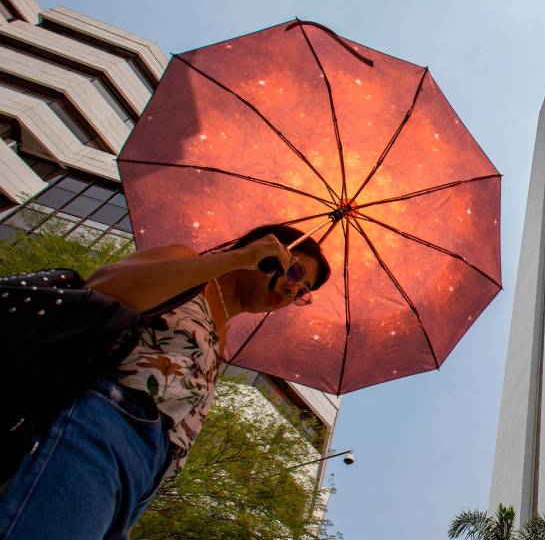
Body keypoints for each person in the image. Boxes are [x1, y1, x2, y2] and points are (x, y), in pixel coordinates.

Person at [0, 224, 330, 540]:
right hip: (103, 426)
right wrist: (238, 258)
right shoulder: (189, 264)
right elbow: (102, 287)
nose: (292, 291)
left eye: (302, 293)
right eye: (295, 273)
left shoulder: (221, 339)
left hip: (142, 480)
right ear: (267, 250)